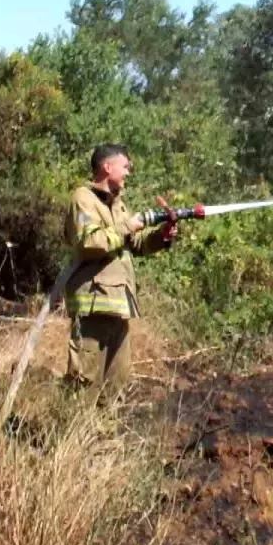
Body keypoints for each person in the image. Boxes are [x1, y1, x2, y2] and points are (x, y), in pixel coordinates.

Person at [62, 143, 178, 404]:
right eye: (125, 166)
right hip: (93, 305)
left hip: (119, 307)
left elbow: (136, 244)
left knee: (116, 386)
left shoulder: (119, 205)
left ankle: (102, 441)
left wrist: (162, 236)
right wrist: (129, 225)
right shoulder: (83, 198)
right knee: (84, 385)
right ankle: (71, 440)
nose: (129, 172)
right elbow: (90, 243)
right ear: (107, 166)